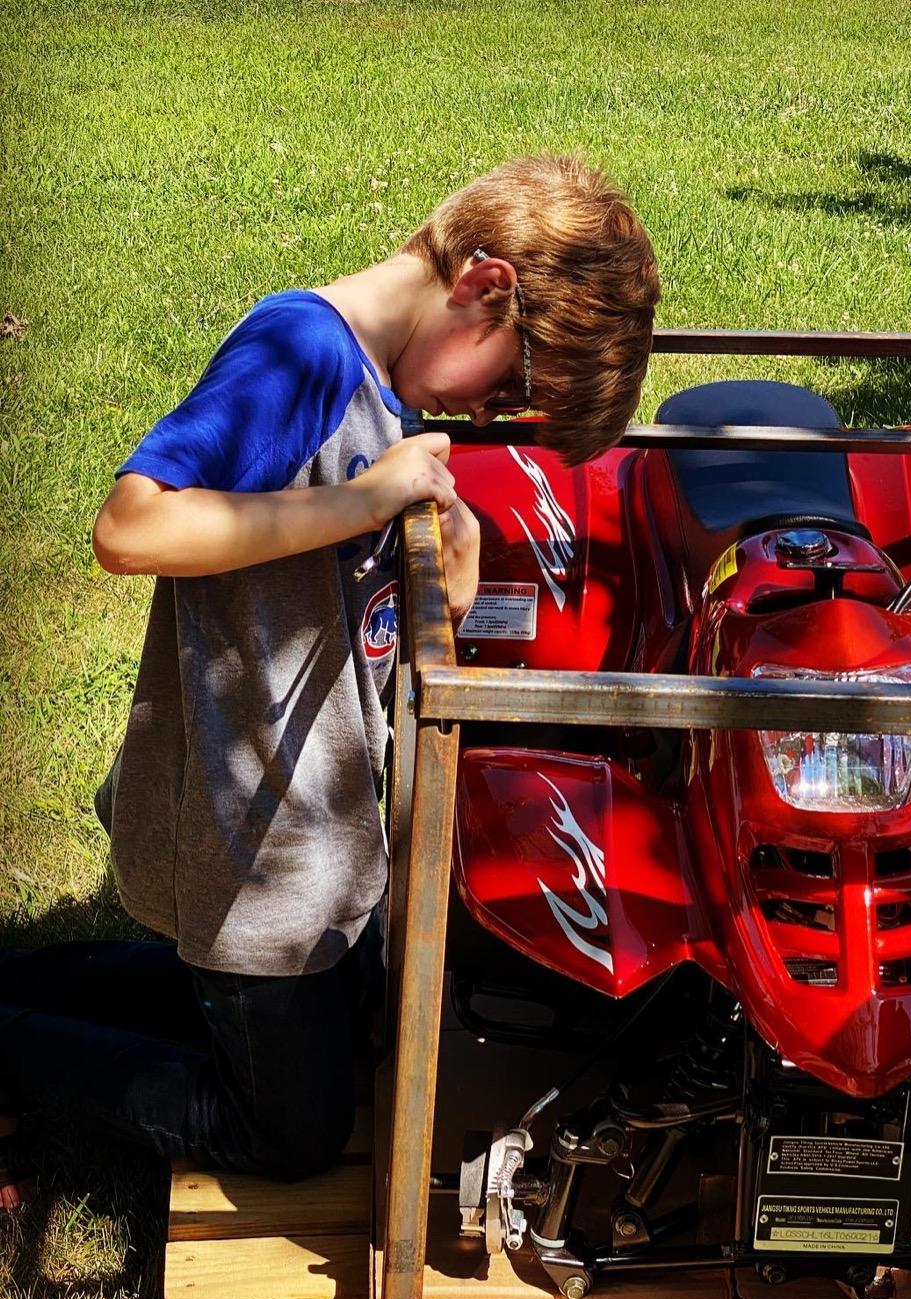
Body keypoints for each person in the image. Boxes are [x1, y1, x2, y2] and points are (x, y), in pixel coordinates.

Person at [0, 154, 660, 1205]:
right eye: (508, 392)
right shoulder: (300, 350)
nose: (489, 416)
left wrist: (449, 577)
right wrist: (363, 503)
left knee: (336, 1034)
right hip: (252, 842)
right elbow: (129, 528)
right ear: (485, 287)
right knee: (291, 1128)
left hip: (314, 828)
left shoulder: (385, 382)